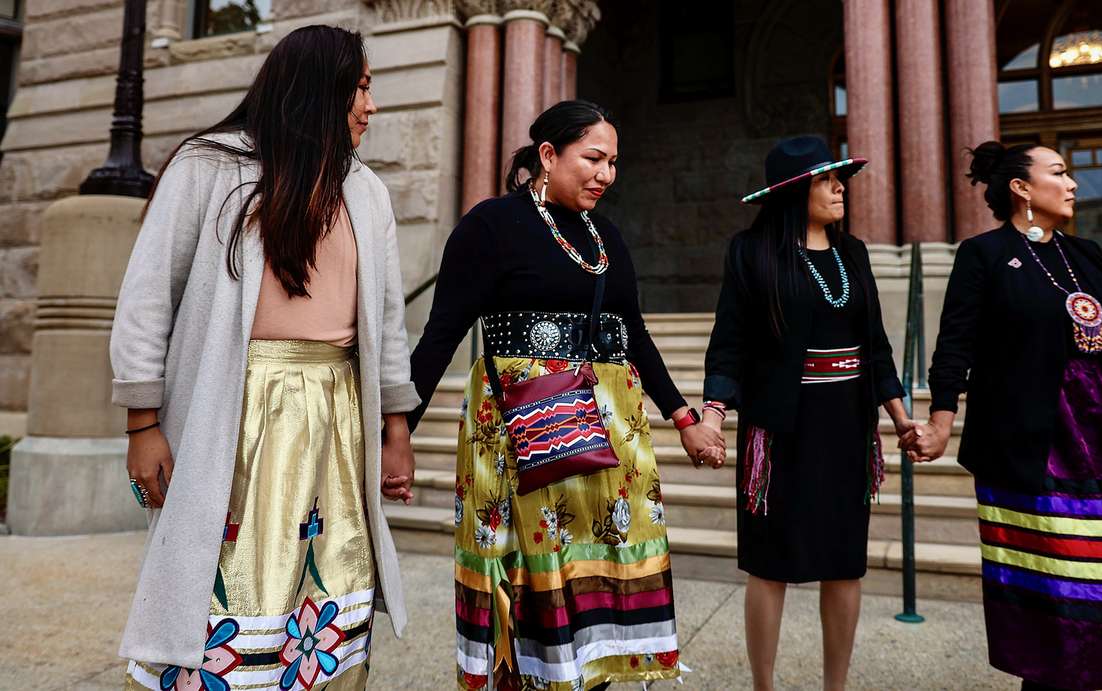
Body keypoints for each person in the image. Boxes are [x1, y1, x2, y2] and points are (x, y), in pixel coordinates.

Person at [113, 25, 418, 690]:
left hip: (337, 418)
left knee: (332, 590)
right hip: (238, 415)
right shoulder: (210, 166)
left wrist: (396, 429)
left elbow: (387, 323)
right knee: (227, 589)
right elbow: (146, 296)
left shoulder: (365, 191)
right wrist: (142, 423)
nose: (371, 105)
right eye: (360, 88)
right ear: (318, 90)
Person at [404, 100, 723, 690]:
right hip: (519, 432)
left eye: (613, 162)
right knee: (521, 592)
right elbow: (440, 334)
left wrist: (684, 416)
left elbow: (637, 339)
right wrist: (396, 432)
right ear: (548, 155)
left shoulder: (607, 236)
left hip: (608, 435)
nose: (606, 174)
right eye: (594, 158)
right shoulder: (491, 225)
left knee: (593, 586)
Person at [905, 141, 1102, 691]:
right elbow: (955, 345)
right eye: (1059, 172)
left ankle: (1093, 675)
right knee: (1051, 576)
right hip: (1032, 442)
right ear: (1021, 189)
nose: (1072, 182)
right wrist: (941, 417)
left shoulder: (1089, 256)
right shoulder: (984, 254)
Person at [701, 135, 914, 691]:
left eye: (839, 177)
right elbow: (729, 344)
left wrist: (899, 415)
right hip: (779, 427)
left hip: (847, 423)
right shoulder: (750, 253)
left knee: (845, 561)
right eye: (826, 179)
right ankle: (764, 686)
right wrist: (713, 415)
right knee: (770, 564)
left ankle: (834, 687)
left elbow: (878, 345)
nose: (840, 187)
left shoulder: (855, 253)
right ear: (795, 191)